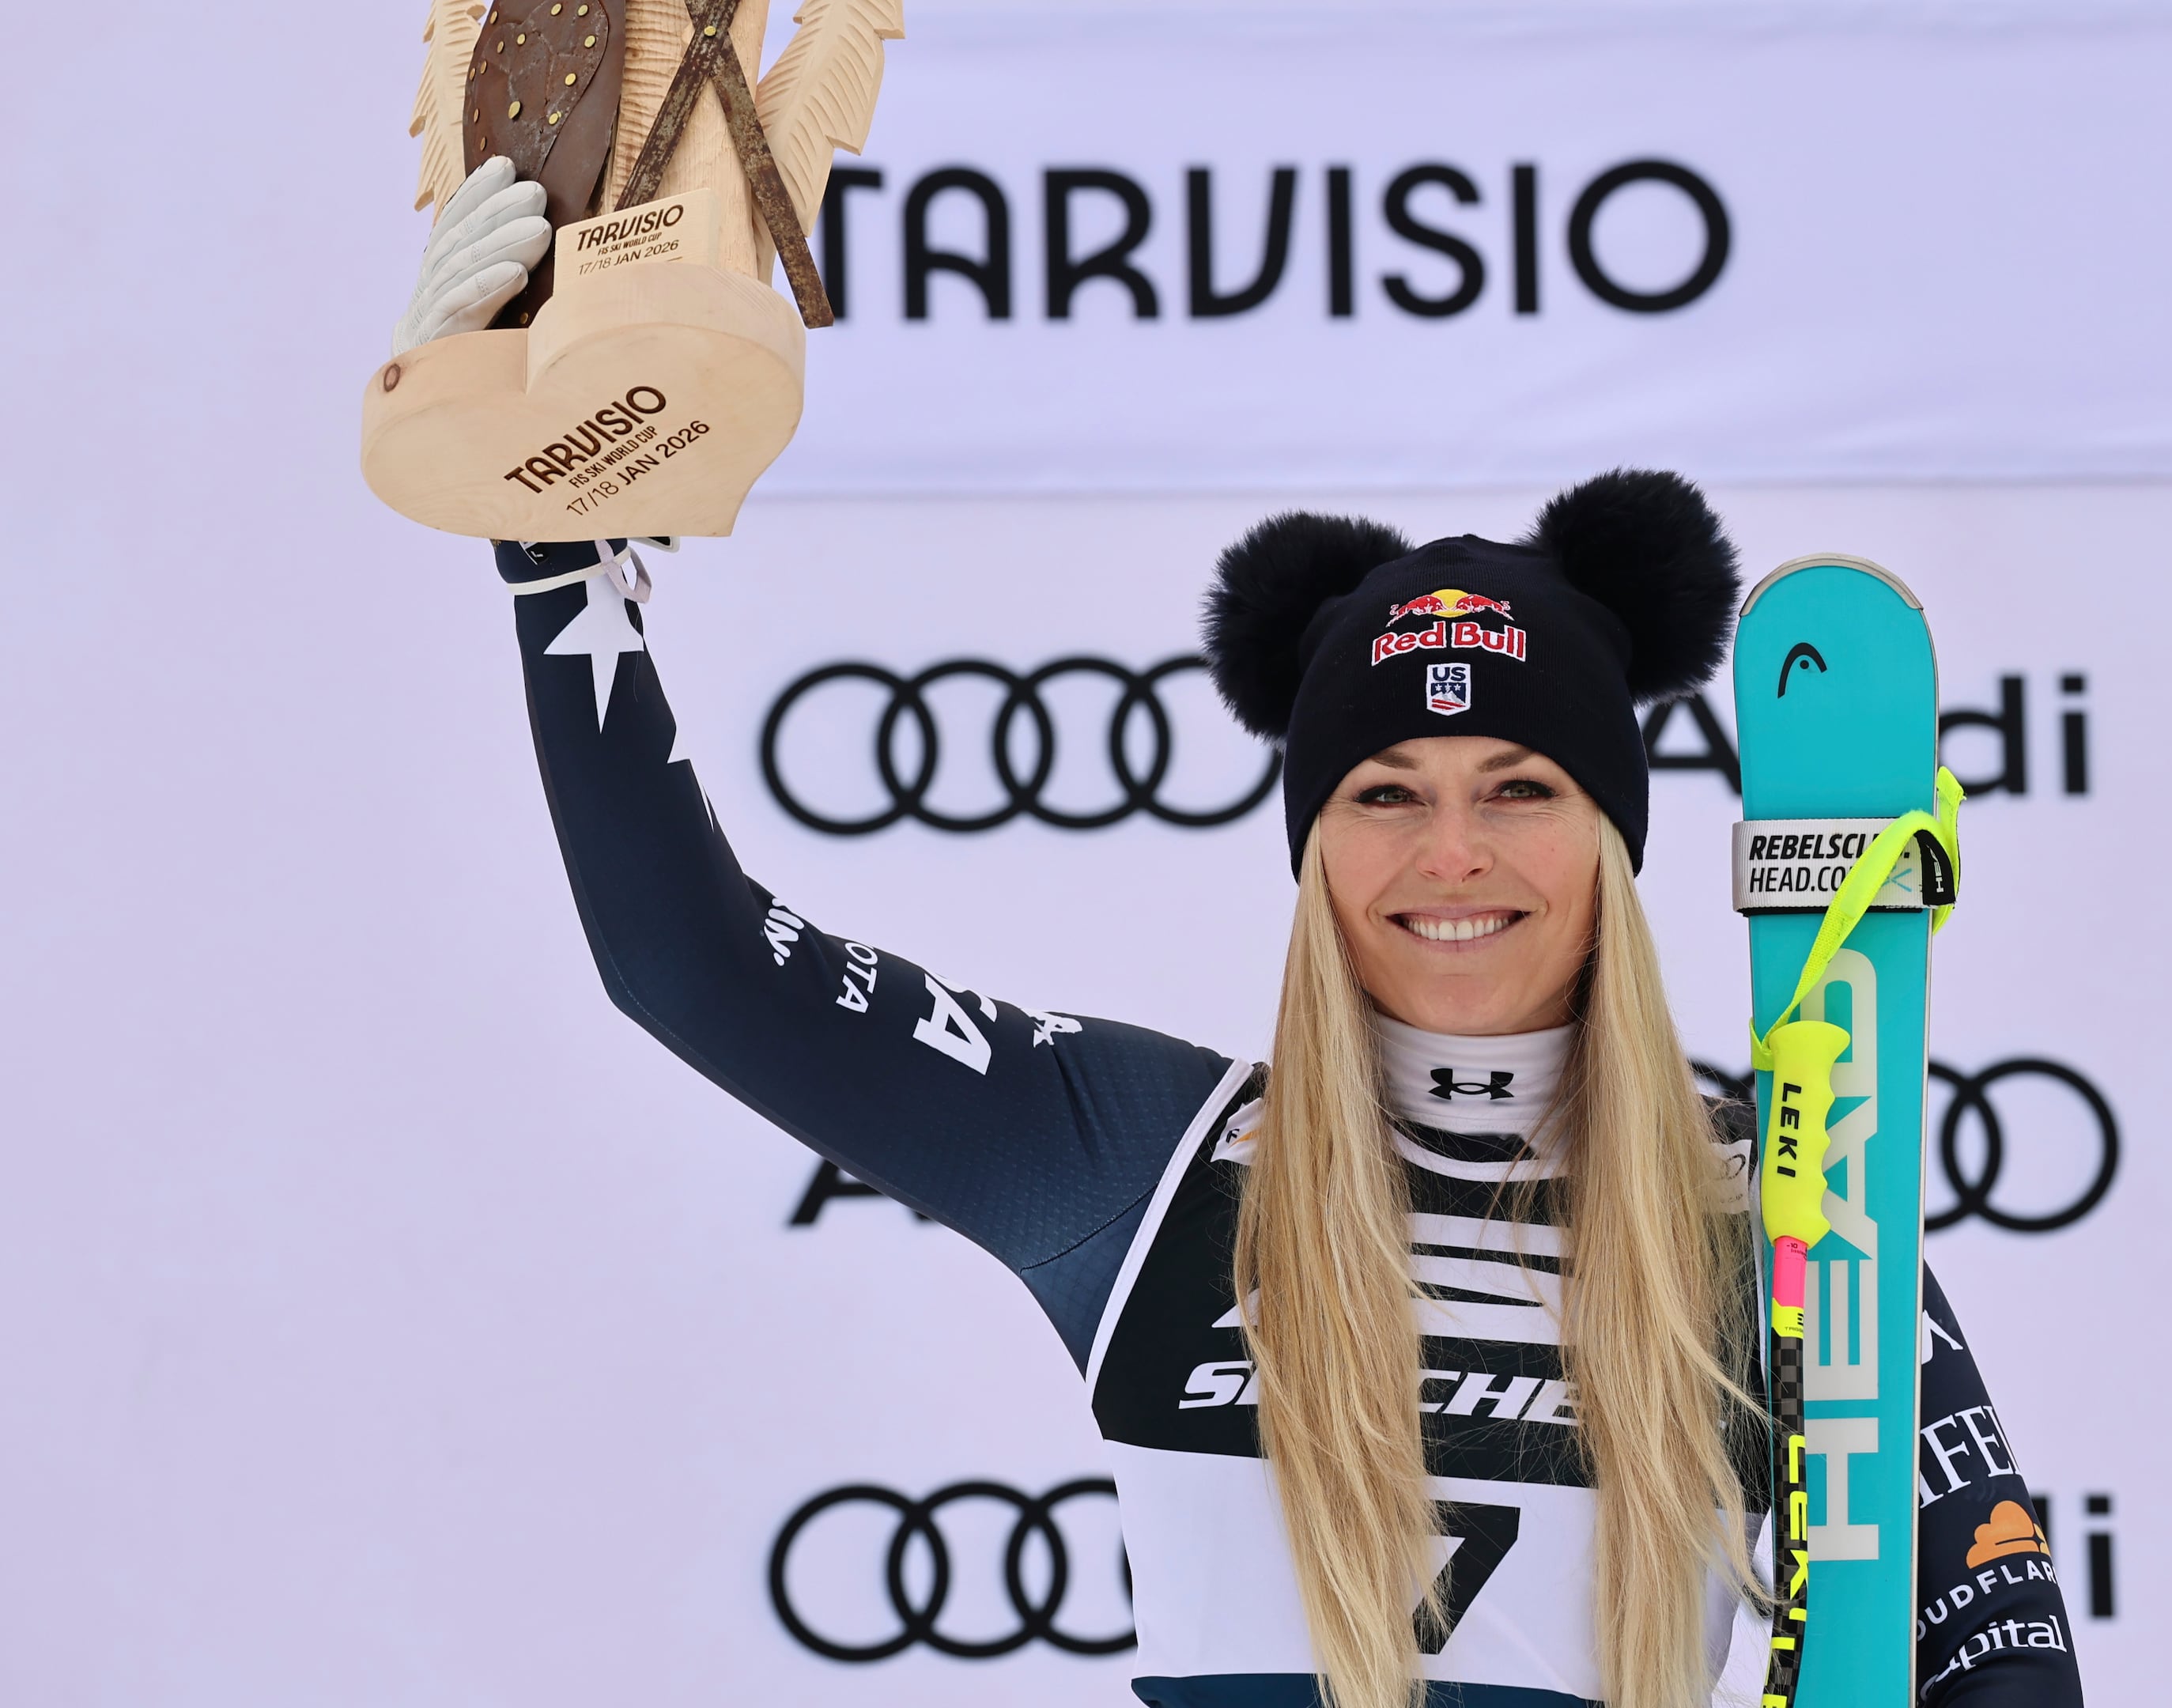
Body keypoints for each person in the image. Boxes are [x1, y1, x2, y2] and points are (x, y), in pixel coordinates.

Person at [406, 168, 2083, 1708]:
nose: (1451, 853)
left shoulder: (1775, 1205)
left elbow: (1999, 1659)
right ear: (1308, 844)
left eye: (1519, 787)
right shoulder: (1145, 1161)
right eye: (1380, 792)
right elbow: (694, 966)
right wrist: (553, 539)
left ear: (1609, 836)